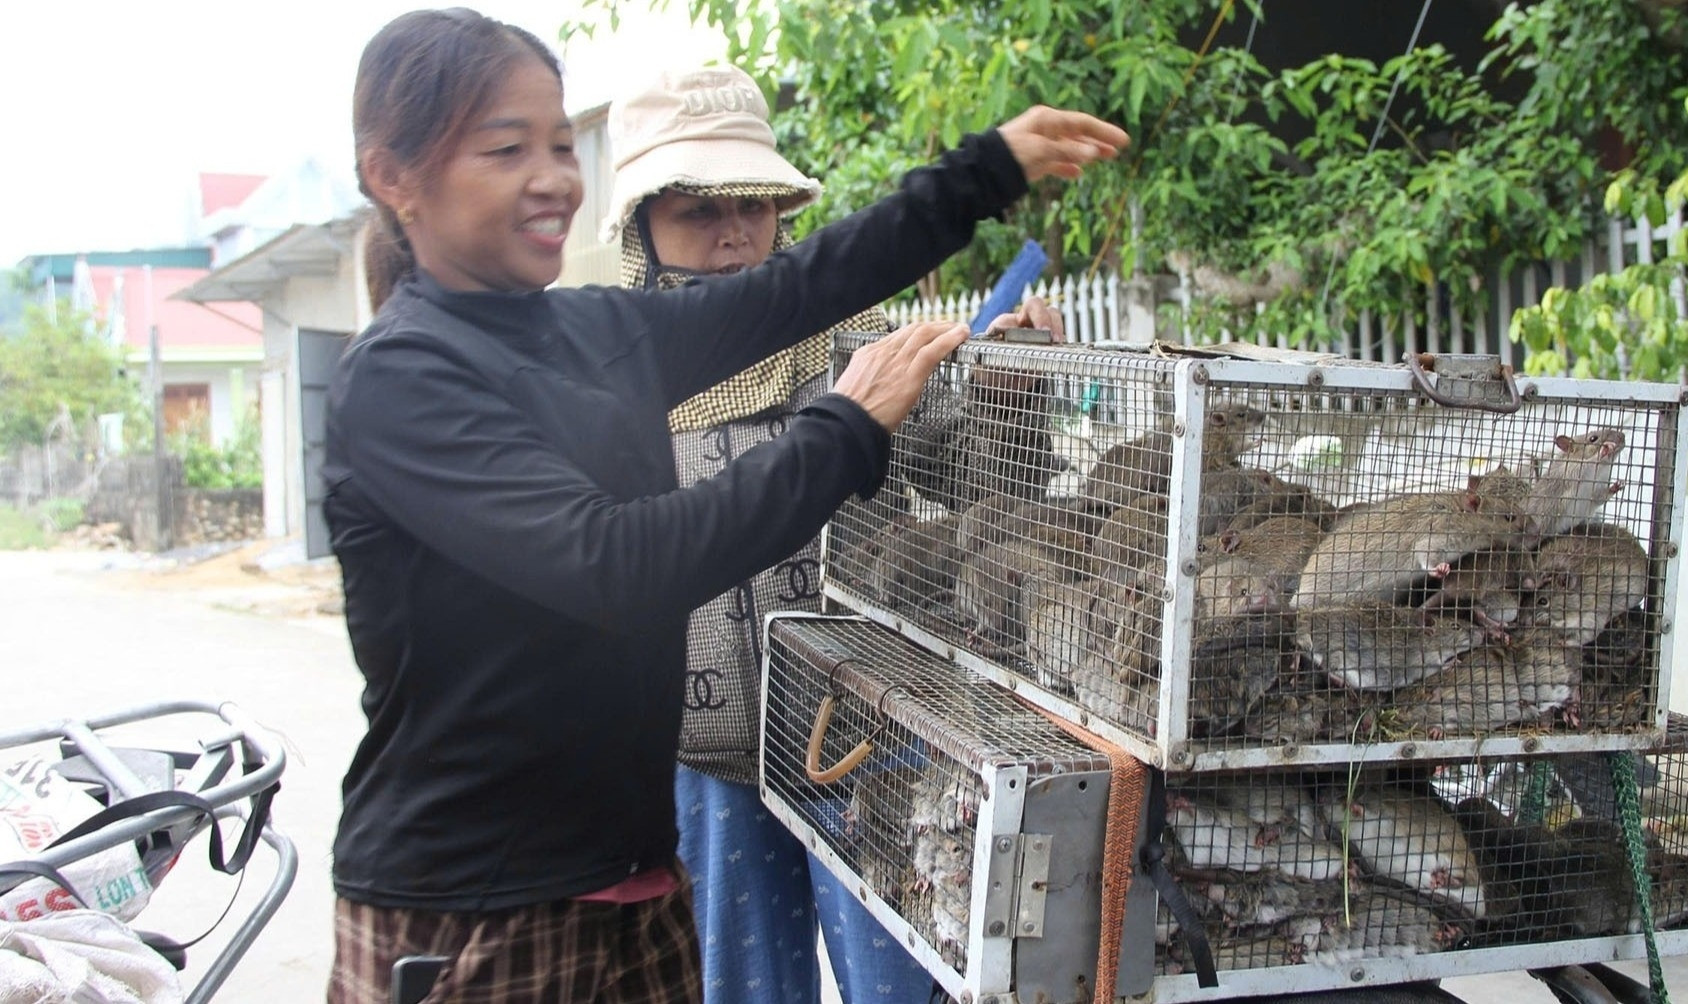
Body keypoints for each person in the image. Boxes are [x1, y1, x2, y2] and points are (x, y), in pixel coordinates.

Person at [321, 8, 1125, 1004]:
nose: (551, 176)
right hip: (479, 909)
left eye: (561, 144)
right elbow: (618, 566)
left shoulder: (589, 330)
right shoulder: (405, 377)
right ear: (394, 178)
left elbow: (795, 289)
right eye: (505, 148)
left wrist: (984, 170)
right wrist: (842, 426)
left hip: (636, 876)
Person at [600, 64, 1066, 1004]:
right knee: (742, 988)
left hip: (869, 738)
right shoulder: (609, 382)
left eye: (757, 207)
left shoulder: (865, 347)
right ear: (642, 226)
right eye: (698, 210)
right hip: (699, 758)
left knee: (899, 982)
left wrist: (1018, 397)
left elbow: (976, 485)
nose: (735, 236)